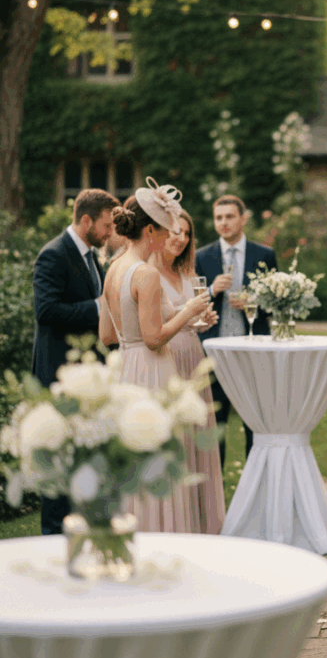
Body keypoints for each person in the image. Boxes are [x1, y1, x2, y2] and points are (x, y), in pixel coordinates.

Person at [100, 180, 211, 531]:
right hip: (152, 369)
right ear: (149, 229)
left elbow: (106, 335)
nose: (168, 239)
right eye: (164, 232)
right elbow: (153, 338)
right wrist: (189, 309)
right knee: (160, 455)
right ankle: (164, 534)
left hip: (127, 371)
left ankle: (134, 529)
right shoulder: (146, 274)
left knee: (136, 455)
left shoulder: (114, 268)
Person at [32, 187, 119, 534]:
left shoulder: (92, 256)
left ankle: (79, 531)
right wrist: (99, 307)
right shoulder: (53, 254)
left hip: (85, 376)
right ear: (86, 221)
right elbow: (46, 311)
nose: (110, 232)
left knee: (81, 459)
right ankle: (53, 538)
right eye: (106, 224)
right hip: (57, 374)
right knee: (58, 461)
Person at [150, 207, 226, 534]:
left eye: (186, 233)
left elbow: (185, 321)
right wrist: (188, 315)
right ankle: (175, 523)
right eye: (174, 231)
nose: (180, 238)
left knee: (197, 439)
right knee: (176, 439)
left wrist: (200, 321)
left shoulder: (188, 273)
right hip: (166, 359)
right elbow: (154, 327)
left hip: (192, 357)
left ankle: (201, 522)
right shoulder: (147, 274)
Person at [196, 194, 278, 463]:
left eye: (229, 216)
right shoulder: (201, 257)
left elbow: (278, 301)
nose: (223, 223)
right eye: (219, 217)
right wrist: (211, 289)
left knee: (255, 424)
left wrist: (254, 301)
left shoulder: (264, 255)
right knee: (215, 426)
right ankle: (215, 496)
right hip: (213, 354)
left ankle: (255, 487)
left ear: (243, 219)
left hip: (253, 352)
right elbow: (190, 304)